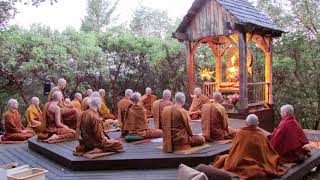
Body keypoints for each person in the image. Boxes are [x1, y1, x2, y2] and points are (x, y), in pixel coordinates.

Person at [213, 114, 286, 179]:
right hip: (258, 161)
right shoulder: (261, 135)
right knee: (262, 170)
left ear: (246, 123)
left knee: (229, 160)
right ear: (257, 124)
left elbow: (233, 149)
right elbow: (267, 150)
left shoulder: (240, 133)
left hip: (239, 162)